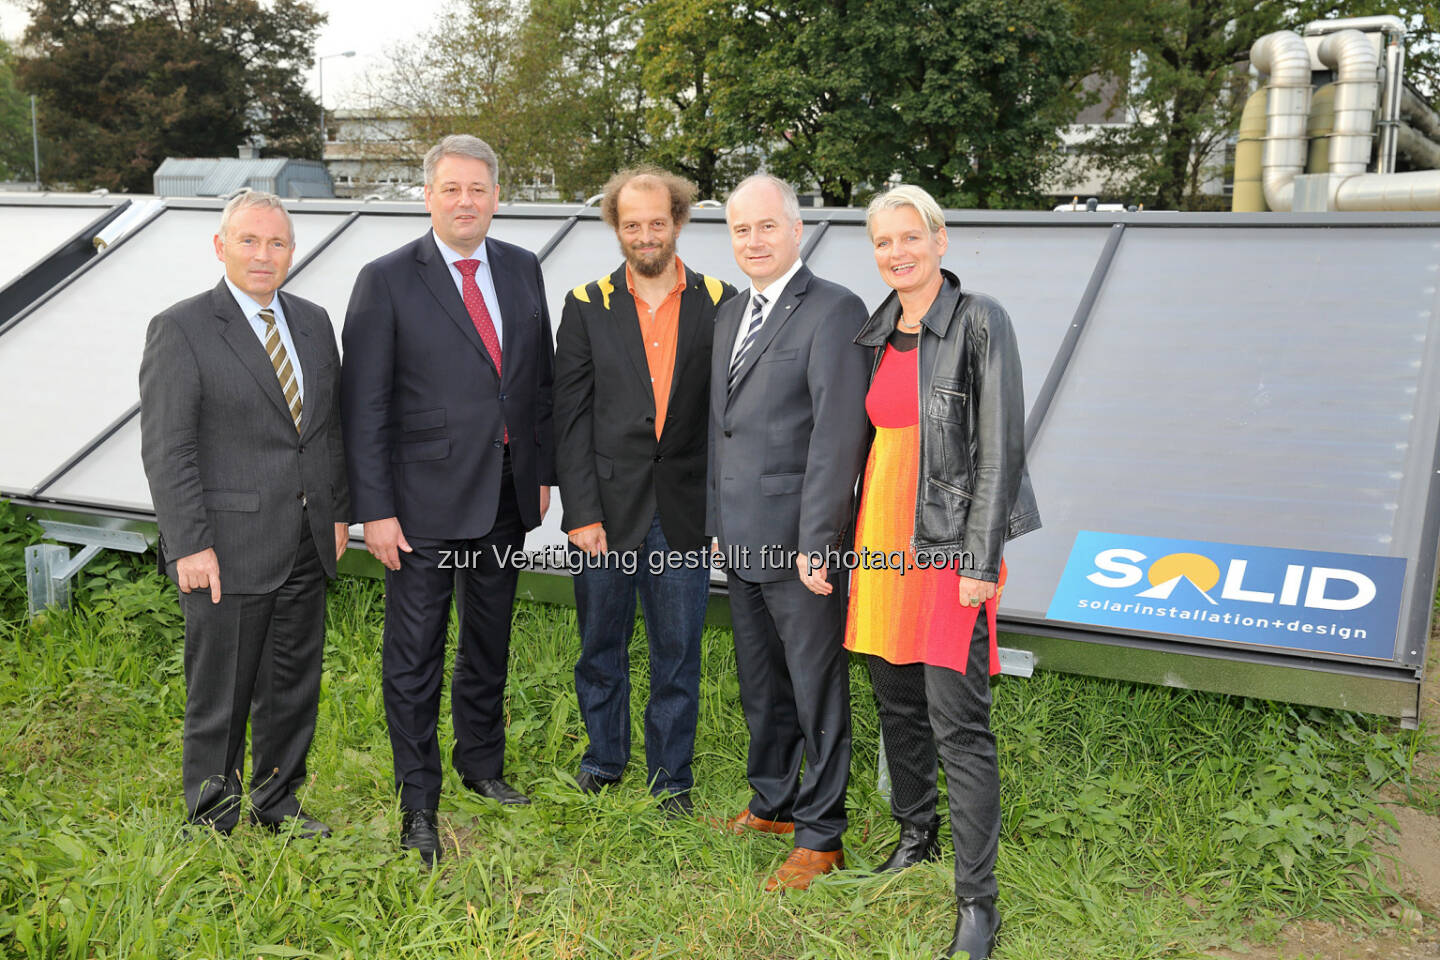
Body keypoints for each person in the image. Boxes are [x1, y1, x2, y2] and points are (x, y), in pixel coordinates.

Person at [340, 134, 556, 867]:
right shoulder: (388, 279)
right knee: (416, 654)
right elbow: (363, 405)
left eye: (480, 189)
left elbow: (539, 383)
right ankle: (418, 802)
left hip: (504, 498)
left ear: (497, 196)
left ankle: (482, 765)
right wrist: (375, 509)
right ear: (428, 195)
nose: (467, 202)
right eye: (452, 189)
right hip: (420, 505)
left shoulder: (525, 269)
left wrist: (543, 467)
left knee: (488, 640)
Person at [845, 185, 1040, 960]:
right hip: (880, 548)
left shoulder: (981, 321)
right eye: (883, 242)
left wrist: (980, 560)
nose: (897, 252)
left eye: (909, 238)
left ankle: (977, 904)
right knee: (896, 704)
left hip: (949, 552)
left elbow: (1002, 448)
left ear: (940, 240)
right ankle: (915, 835)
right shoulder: (875, 331)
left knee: (960, 724)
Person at [139, 190, 350, 839]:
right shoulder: (182, 327)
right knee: (222, 693)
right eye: (250, 241)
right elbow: (167, 448)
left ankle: (278, 801)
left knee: (292, 686)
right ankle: (210, 815)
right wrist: (189, 544)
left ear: (292, 250)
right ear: (221, 246)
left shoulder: (314, 322)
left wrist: (338, 512)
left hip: (307, 542)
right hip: (225, 549)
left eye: (277, 242)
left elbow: (326, 430)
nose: (265, 254)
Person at [553, 167, 736, 815]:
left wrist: (723, 510)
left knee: (677, 653)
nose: (645, 234)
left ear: (678, 221)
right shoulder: (585, 305)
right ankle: (604, 760)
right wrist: (580, 513)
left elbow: (730, 419)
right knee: (600, 646)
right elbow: (569, 419)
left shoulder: (722, 302)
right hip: (604, 512)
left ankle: (672, 780)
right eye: (632, 224)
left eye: (657, 222)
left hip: (684, 514)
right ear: (616, 228)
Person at [708, 174, 870, 891]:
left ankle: (823, 832)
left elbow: (839, 438)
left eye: (766, 226)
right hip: (739, 540)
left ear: (797, 230)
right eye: (741, 229)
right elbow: (724, 431)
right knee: (760, 684)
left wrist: (819, 544)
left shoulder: (834, 311)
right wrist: (716, 524)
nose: (754, 240)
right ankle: (772, 801)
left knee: (815, 688)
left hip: (801, 547)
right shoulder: (728, 315)